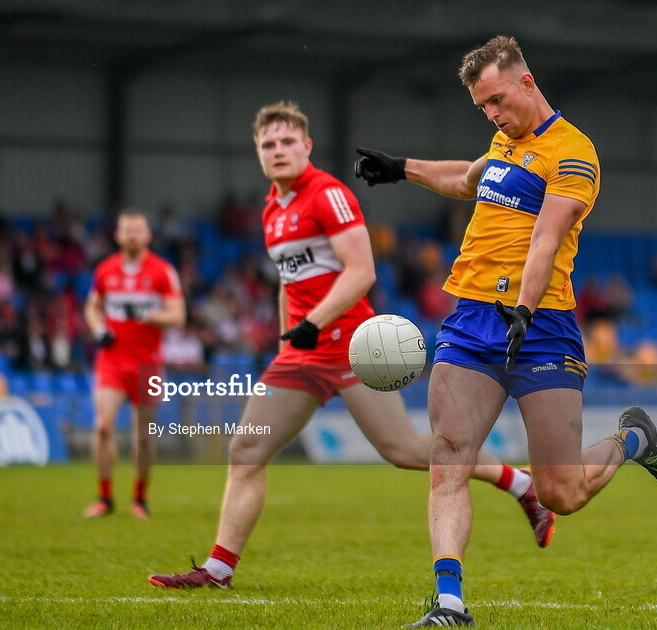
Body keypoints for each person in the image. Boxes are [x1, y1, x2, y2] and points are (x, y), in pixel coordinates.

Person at [147, 101, 558, 592]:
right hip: (301, 352)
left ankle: (521, 484)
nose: (278, 151)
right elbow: (288, 280)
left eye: (286, 142)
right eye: (268, 144)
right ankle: (218, 570)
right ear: (258, 153)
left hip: (350, 345)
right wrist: (288, 337)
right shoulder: (273, 209)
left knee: (403, 449)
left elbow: (361, 271)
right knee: (246, 448)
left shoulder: (327, 195)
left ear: (307, 147)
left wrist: (314, 322)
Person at [354, 35, 657, 628]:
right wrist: (402, 168)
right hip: (472, 319)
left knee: (561, 493)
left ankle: (635, 439)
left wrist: (525, 309)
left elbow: (546, 239)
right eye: (483, 107)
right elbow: (467, 179)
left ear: (527, 82)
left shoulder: (574, 153)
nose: (493, 115)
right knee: (448, 457)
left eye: (498, 101)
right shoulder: (504, 141)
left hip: (543, 325)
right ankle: (449, 604)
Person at [83, 210, 186, 518]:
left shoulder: (162, 271)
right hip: (112, 362)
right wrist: (99, 330)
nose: (131, 235)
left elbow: (177, 316)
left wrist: (145, 315)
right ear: (117, 235)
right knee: (103, 426)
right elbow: (92, 307)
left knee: (143, 435)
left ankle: (140, 499)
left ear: (147, 236)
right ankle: (105, 498)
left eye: (137, 230)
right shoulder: (105, 270)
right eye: (126, 229)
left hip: (148, 364)